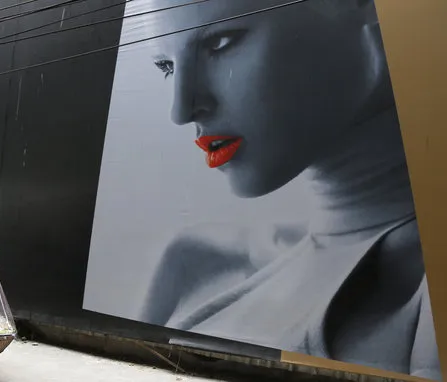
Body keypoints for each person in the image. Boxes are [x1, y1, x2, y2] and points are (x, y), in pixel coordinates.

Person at [137, 0, 440, 379]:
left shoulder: (422, 292)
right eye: (167, 67)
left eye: (220, 43)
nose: (181, 110)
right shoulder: (191, 260)